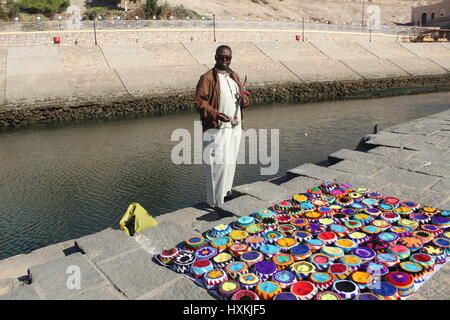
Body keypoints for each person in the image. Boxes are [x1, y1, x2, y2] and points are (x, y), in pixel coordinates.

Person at [194, 45, 250, 208]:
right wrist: (216, 113)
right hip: (216, 129)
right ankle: (214, 203)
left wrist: (245, 101)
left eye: (228, 58)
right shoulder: (207, 78)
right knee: (216, 166)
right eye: (221, 57)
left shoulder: (234, 76)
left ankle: (225, 196)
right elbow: (199, 102)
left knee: (229, 163)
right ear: (215, 57)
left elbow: (241, 98)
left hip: (234, 128)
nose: (224, 60)